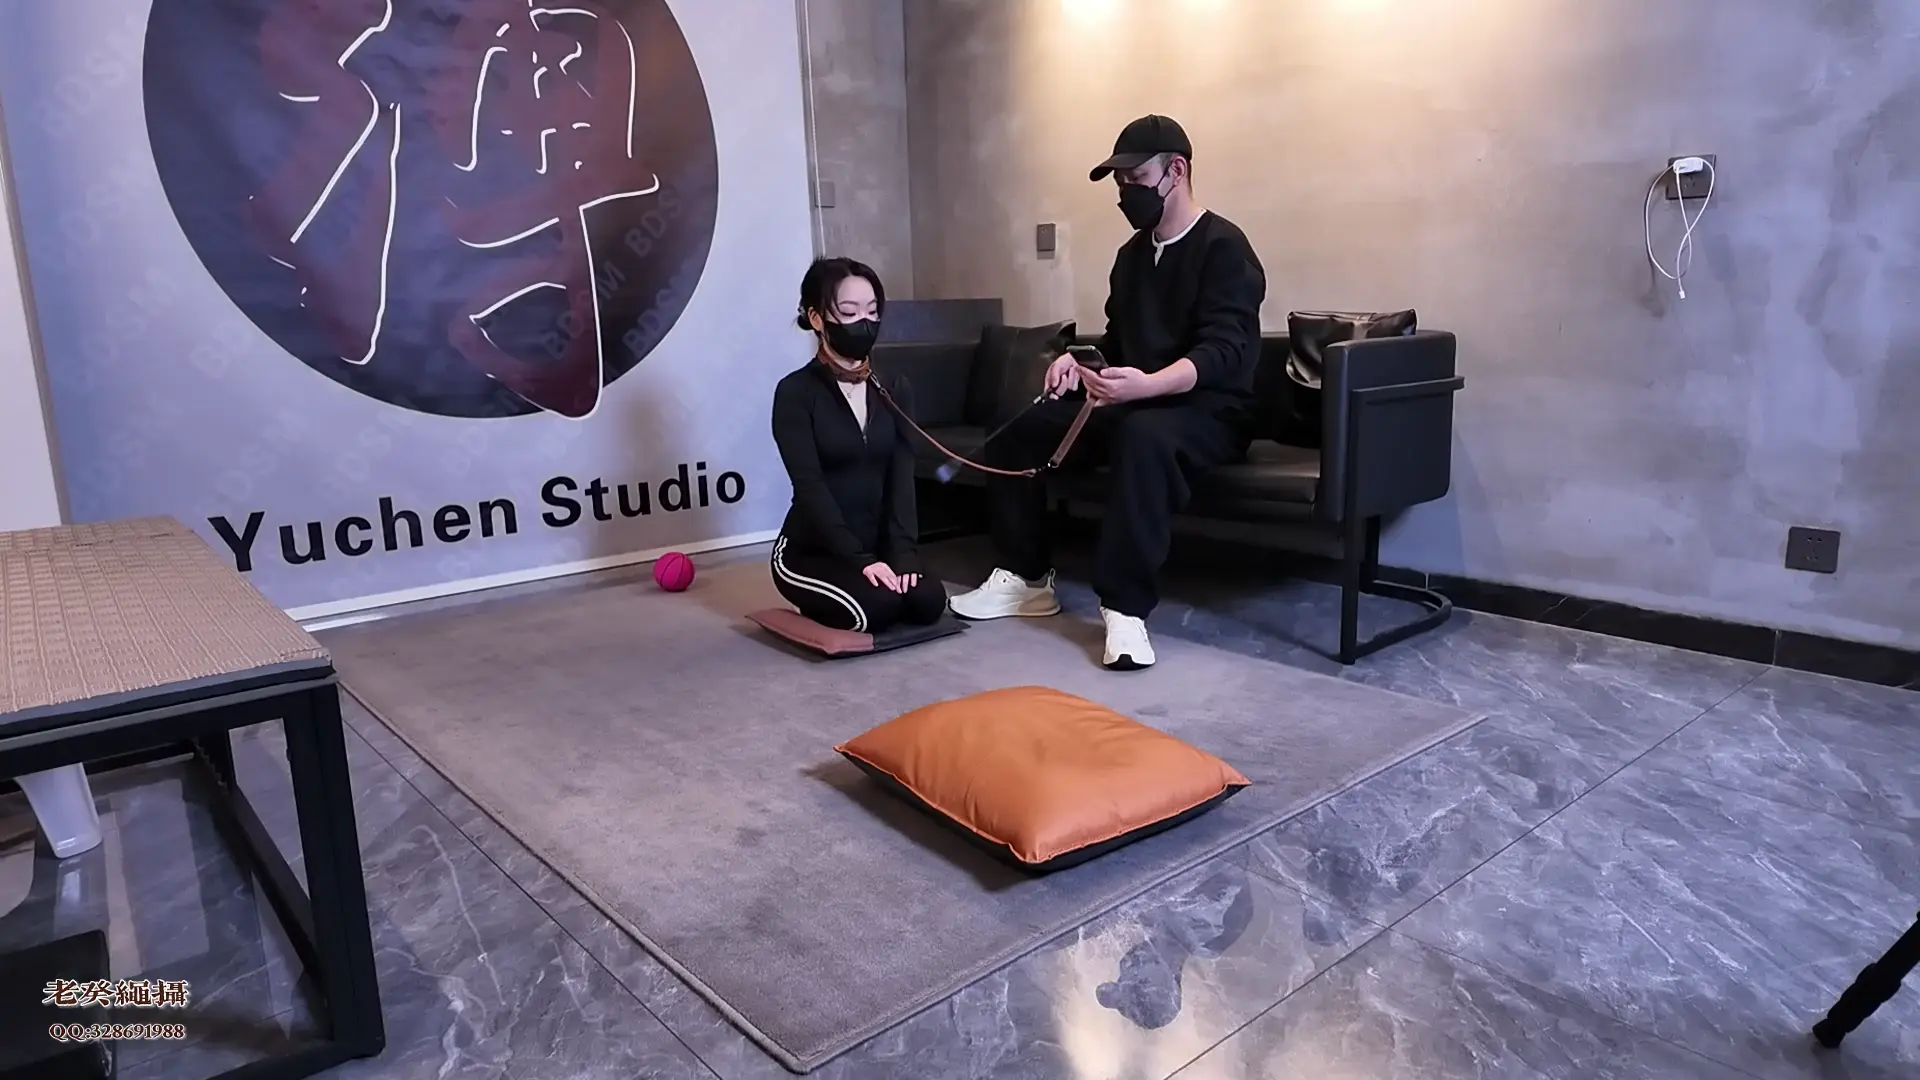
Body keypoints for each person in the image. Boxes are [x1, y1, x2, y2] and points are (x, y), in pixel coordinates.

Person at [948, 115, 1267, 670]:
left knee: (1144, 436)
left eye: (1136, 178)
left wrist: (1149, 384)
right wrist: (1078, 361)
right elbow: (1120, 342)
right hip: (1139, 402)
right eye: (1120, 183)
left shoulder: (1224, 247)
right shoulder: (1131, 257)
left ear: (1176, 171)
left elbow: (1225, 352)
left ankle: (1124, 609)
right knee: (1020, 427)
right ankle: (1027, 579)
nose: (1126, 193)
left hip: (1212, 412)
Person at [770, 257, 948, 634]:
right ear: (817, 319)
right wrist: (859, 560)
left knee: (927, 601)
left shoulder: (895, 387)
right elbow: (810, 487)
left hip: (878, 545)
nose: (863, 322)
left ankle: (874, 576)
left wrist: (903, 554)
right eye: (849, 312)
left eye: (872, 311)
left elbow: (902, 478)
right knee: (878, 609)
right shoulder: (795, 393)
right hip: (812, 550)